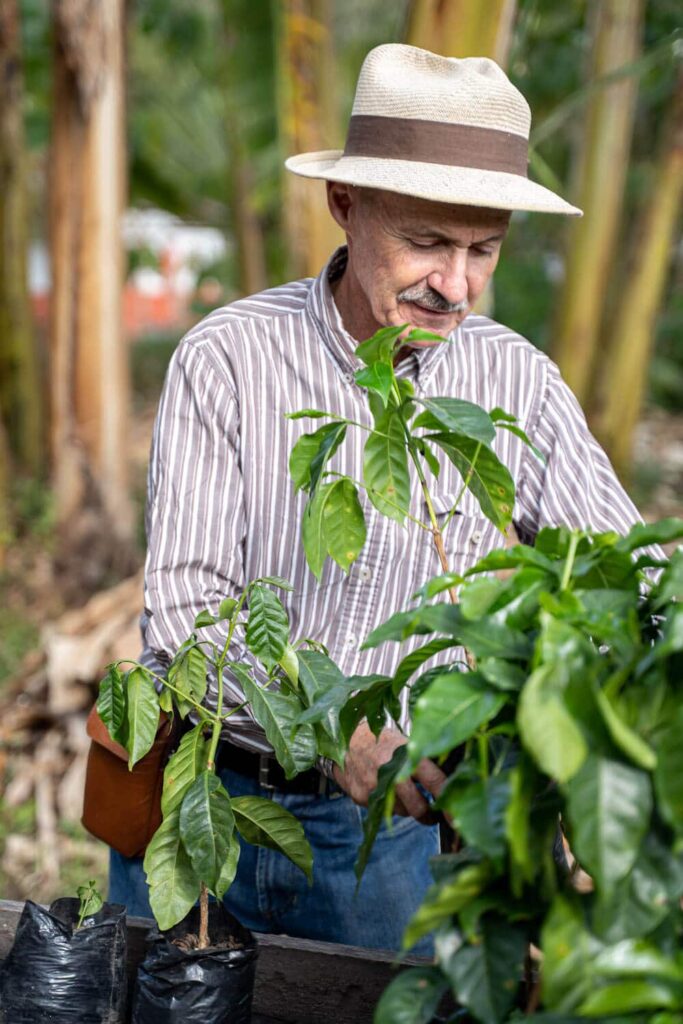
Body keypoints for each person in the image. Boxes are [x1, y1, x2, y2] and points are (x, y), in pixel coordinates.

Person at [108, 44, 645, 951]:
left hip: (397, 841)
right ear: (345, 205)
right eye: (427, 243)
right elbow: (188, 613)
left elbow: (627, 574)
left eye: (483, 251)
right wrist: (339, 727)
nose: (456, 284)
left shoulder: (515, 381)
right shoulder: (230, 360)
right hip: (207, 802)